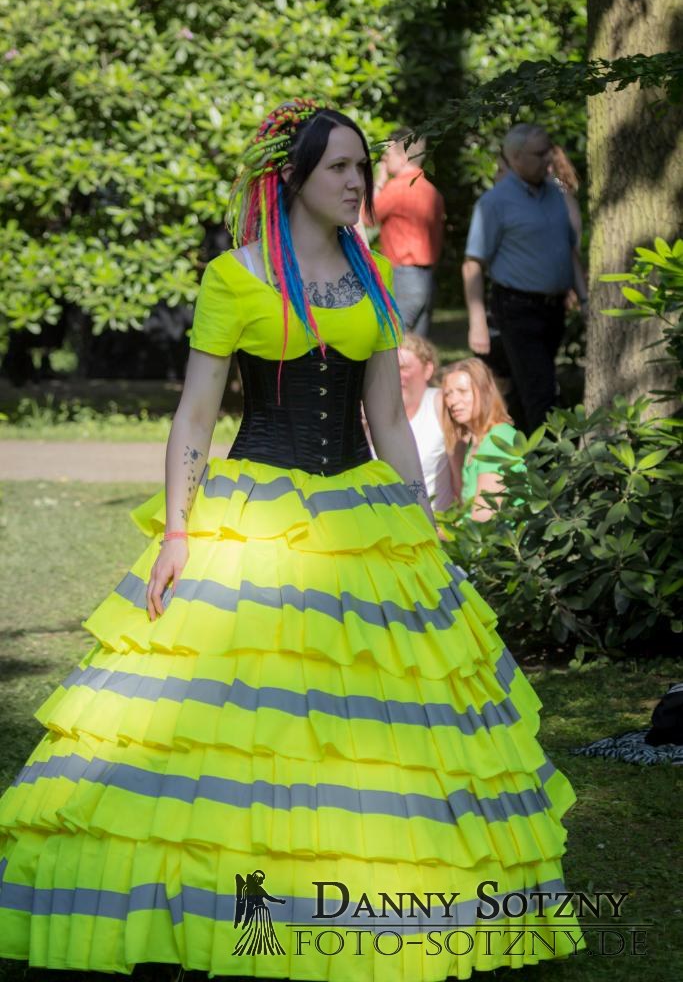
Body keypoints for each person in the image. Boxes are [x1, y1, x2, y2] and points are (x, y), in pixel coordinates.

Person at [0, 101, 584, 978]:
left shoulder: (371, 273)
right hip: (255, 513)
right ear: (294, 178)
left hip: (356, 509)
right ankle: (212, 911)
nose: (356, 183)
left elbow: (387, 417)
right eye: (338, 168)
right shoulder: (233, 277)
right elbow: (196, 412)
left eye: (361, 167)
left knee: (381, 718)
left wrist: (419, 526)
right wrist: (177, 531)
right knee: (234, 725)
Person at [462, 123, 589, 434]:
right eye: (540, 153)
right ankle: (549, 457)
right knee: (540, 389)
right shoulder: (495, 202)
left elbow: (570, 252)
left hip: (553, 308)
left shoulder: (556, 195)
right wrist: (477, 322)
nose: (549, 159)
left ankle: (517, 450)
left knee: (524, 388)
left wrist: (585, 299)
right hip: (517, 307)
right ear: (516, 157)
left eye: (549, 151)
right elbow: (473, 264)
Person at [363, 127, 445, 336]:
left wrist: (379, 182)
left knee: (393, 341)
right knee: (417, 347)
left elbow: (367, 217)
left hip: (403, 276)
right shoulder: (432, 192)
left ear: (403, 157)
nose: (384, 159)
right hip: (426, 278)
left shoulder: (398, 187)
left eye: (388, 154)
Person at [442, 357, 521, 521]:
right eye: (448, 394)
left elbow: (484, 519)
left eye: (462, 391)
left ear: (485, 391)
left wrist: (436, 531)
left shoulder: (497, 440)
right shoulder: (476, 441)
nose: (453, 401)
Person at [398, 333, 454, 512]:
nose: (397, 375)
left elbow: (462, 478)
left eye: (404, 368)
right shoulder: (373, 410)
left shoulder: (441, 405)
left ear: (428, 370)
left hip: (435, 522)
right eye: (391, 368)